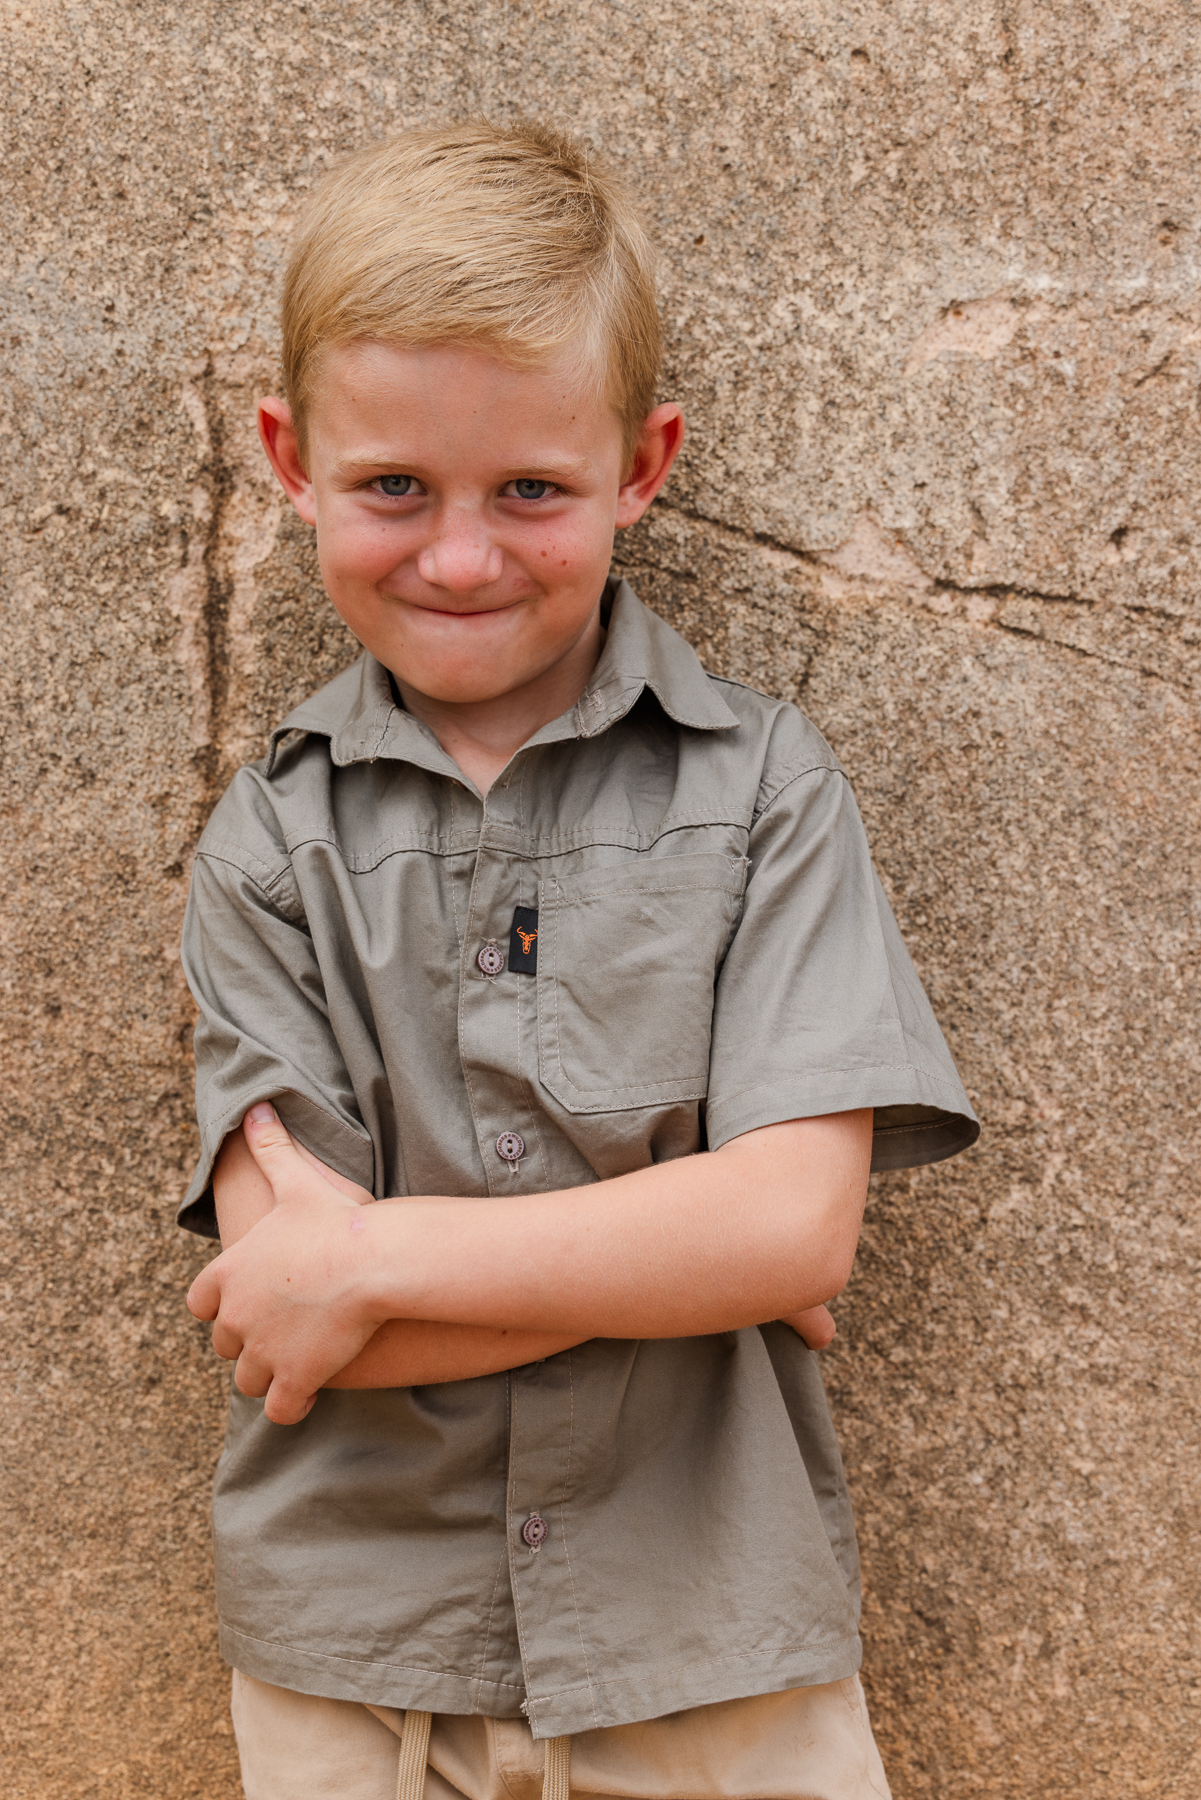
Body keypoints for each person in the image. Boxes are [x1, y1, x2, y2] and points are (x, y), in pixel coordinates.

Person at [181, 121, 979, 1800]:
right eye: (393, 485)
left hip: (708, 1639)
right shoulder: (270, 848)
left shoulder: (763, 789)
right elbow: (295, 1316)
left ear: (640, 464)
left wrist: (381, 1255)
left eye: (529, 490)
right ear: (286, 455)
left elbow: (788, 1224)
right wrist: (667, 1250)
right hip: (356, 1654)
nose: (459, 557)